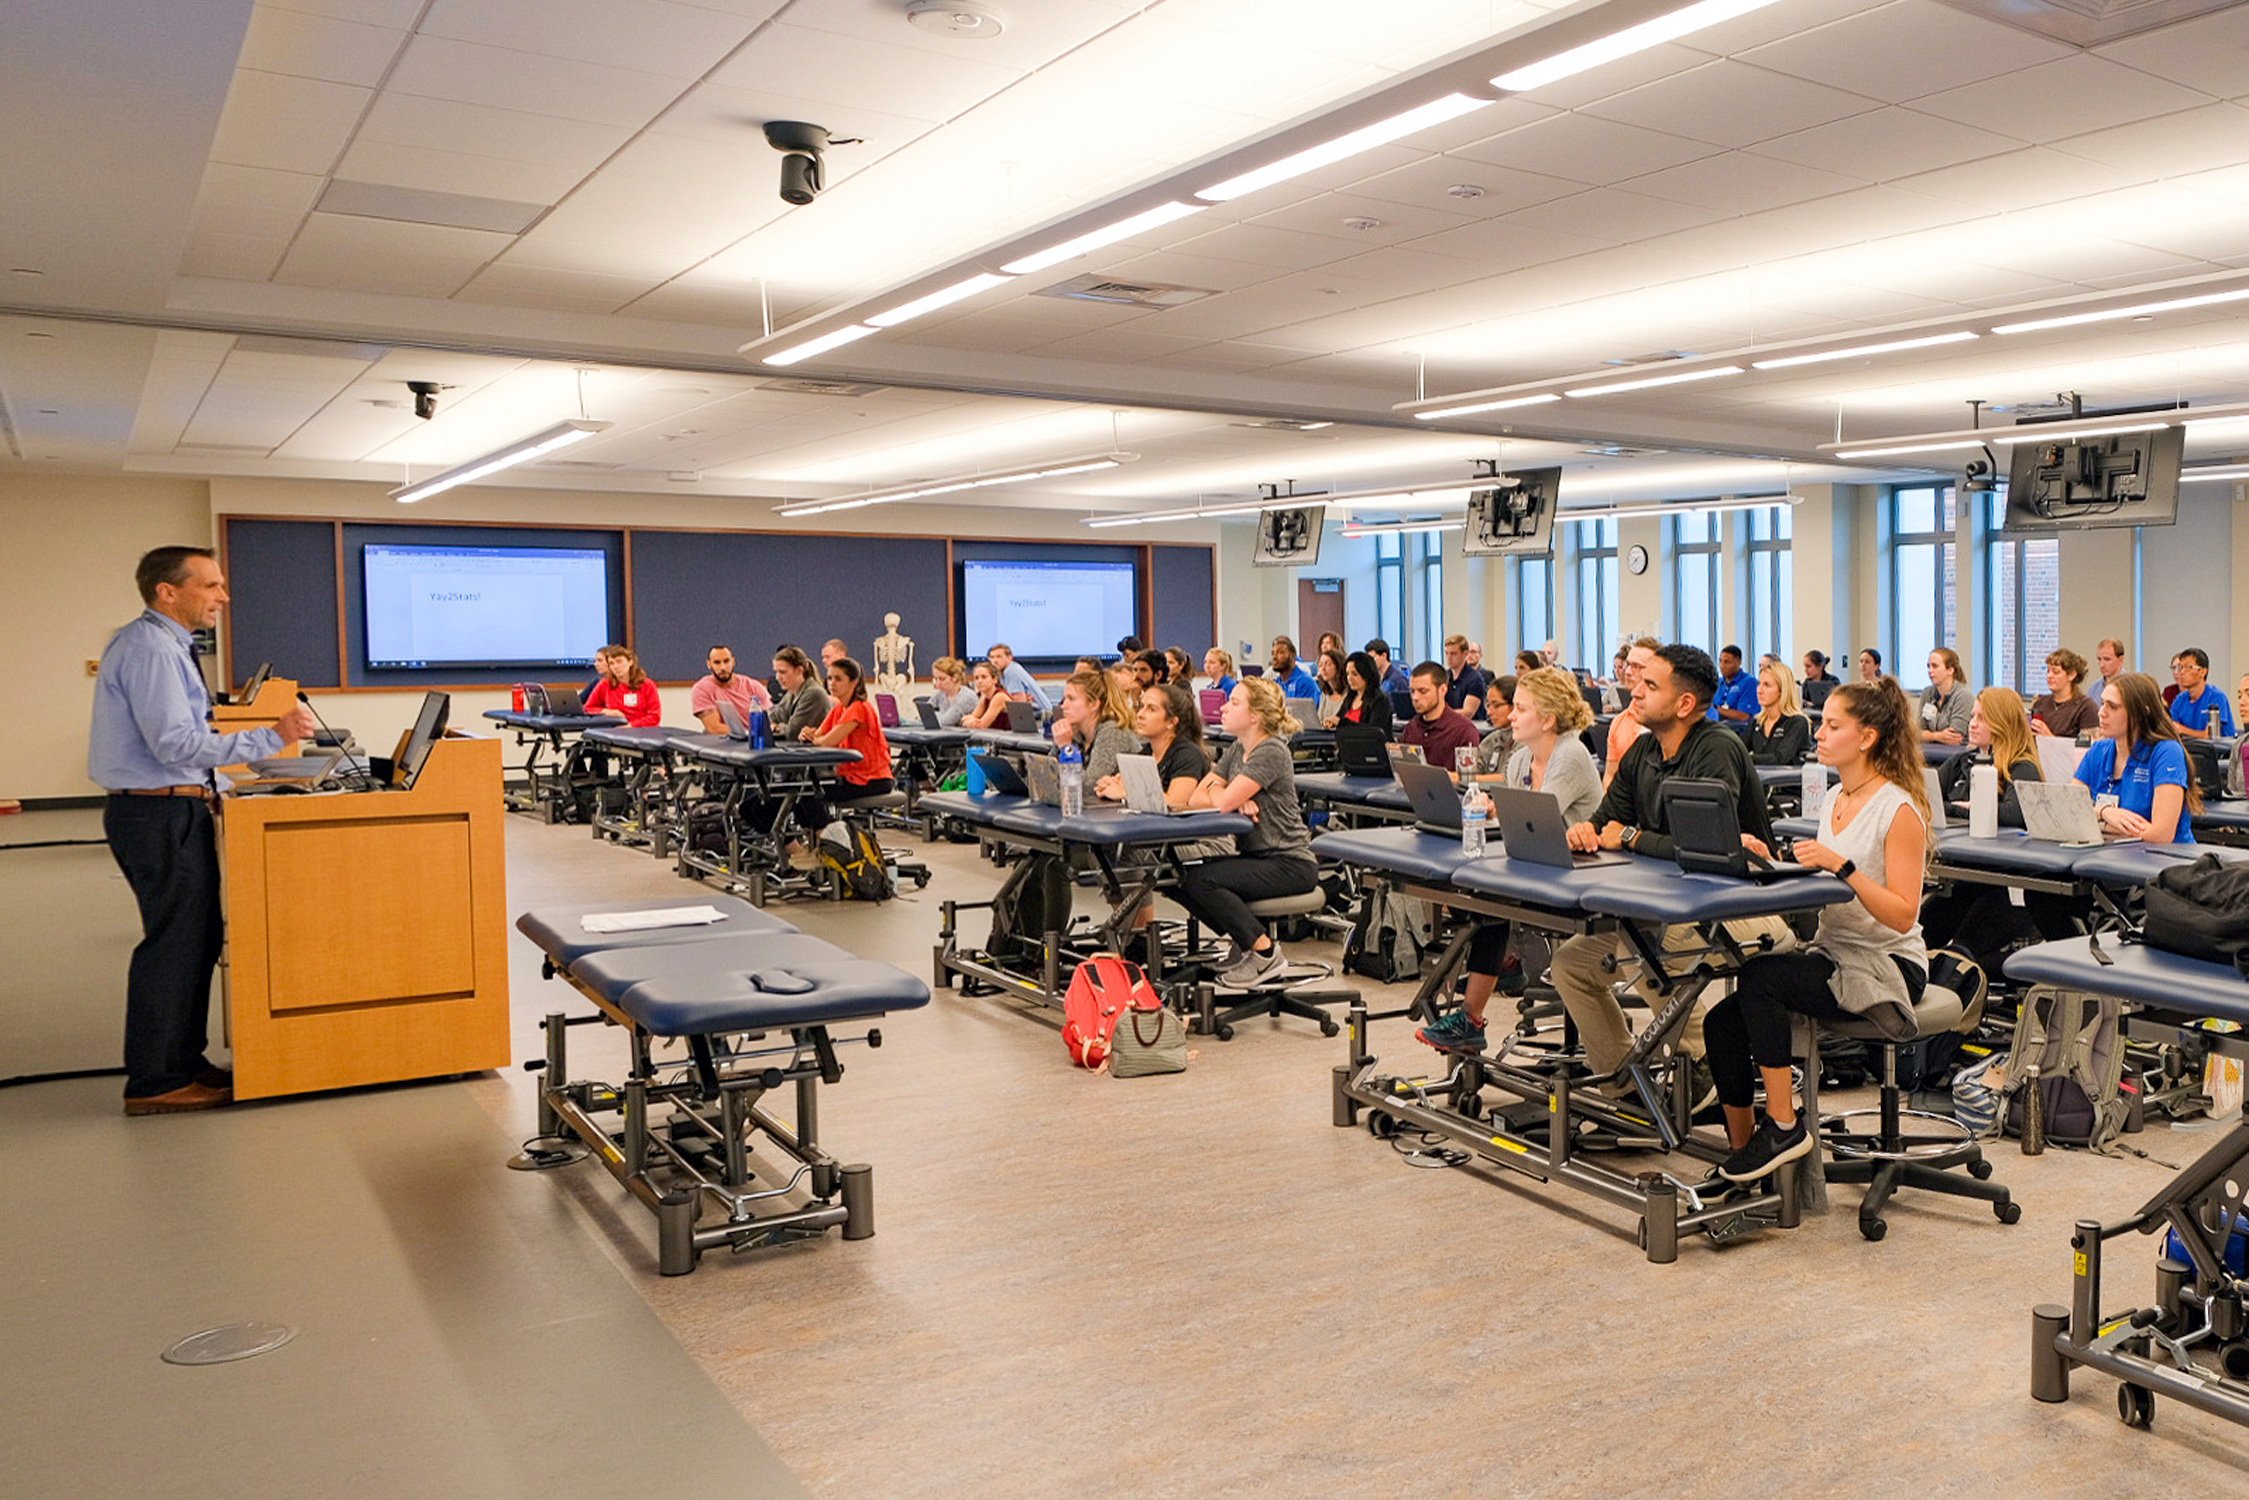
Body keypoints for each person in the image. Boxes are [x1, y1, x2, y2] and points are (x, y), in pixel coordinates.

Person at [90, 546, 318, 1115]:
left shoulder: (166, 646)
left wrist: (216, 786)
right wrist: (271, 735)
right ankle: (155, 1080)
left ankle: (182, 1062)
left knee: (195, 941)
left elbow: (182, 739)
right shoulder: (149, 649)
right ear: (169, 591)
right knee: (174, 945)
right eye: (211, 585)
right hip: (156, 814)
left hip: (173, 807)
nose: (224, 595)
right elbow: (174, 744)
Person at [1703, 679, 1932, 1181]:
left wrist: (1842, 866)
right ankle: (1748, 1155)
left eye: (1832, 726)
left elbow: (1902, 914)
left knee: (1760, 978)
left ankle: (1784, 1125)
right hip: (1835, 954)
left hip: (1890, 965)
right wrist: (1775, 860)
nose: (1819, 734)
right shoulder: (1834, 798)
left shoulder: (1898, 810)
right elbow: (1825, 871)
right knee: (1720, 1023)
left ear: (1867, 737)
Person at [1555, 645, 1787, 1083]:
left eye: (1650, 685)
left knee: (1638, 937)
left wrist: (1632, 837)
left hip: (1748, 908)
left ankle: (1701, 1064)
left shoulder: (1717, 747)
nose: (1635, 692)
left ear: (1684, 704)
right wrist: (1583, 833)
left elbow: (1700, 848)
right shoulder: (1644, 752)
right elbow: (1604, 824)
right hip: (1668, 906)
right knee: (1572, 964)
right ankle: (1622, 1082)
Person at [1417, 669, 1600, 1051]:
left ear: (1548, 719)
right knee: (1484, 902)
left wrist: (1499, 811)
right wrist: (1491, 809)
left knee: (1490, 906)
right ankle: (1470, 1013)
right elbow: (1519, 819)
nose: (1511, 716)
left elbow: (1539, 817)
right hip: (1536, 865)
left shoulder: (1570, 755)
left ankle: (1470, 1014)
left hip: (1581, 874)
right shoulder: (1520, 759)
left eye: (1520, 709)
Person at [1179, 677, 1320, 987]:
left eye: (1235, 703)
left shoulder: (1271, 750)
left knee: (1203, 880)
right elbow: (1196, 796)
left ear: (1255, 715)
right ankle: (1246, 943)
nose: (1225, 708)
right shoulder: (1237, 749)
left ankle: (1264, 952)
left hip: (1290, 863)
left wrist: (1229, 796)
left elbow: (1220, 799)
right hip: (1258, 857)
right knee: (1180, 876)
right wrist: (1232, 796)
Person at [1919, 690, 2045, 975]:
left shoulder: (2021, 767)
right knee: (1918, 937)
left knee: (1958, 954)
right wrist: (1961, 808)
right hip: (1966, 877)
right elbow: (1926, 796)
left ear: (2001, 723)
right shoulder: (1964, 760)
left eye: (1982, 718)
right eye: (1973, 716)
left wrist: (1964, 809)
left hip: (2003, 886)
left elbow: (2016, 814)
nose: (1972, 724)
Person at [789, 656, 894, 869]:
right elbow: (818, 735)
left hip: (873, 780)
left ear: (854, 682)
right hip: (850, 776)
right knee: (798, 793)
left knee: (808, 794)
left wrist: (815, 738)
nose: (831, 683)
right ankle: (819, 846)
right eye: (829, 678)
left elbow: (826, 742)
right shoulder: (839, 708)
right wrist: (808, 734)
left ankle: (834, 847)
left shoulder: (859, 708)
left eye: (838, 679)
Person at [2080, 672, 2198, 844]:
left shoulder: (2167, 752)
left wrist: (2096, 822)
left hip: (2167, 862)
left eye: (2112, 707)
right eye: (2102, 703)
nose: (2101, 713)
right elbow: (2070, 812)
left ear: (2141, 714)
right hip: (2113, 855)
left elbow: (2161, 835)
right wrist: (2104, 813)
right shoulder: (2098, 750)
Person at [1049, 668, 1140, 782]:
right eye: (1064, 698)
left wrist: (1066, 748)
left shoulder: (1113, 733)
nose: (1064, 706)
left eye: (1071, 699)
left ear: (1094, 705)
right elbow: (1049, 777)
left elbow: (1089, 787)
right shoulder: (1076, 732)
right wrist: (1059, 744)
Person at [1400, 661, 1481, 769]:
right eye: (1412, 691)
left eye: (1423, 691)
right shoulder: (1411, 729)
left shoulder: (1463, 730)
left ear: (1443, 690)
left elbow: (1468, 778)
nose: (1415, 697)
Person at [1605, 637, 1660, 785]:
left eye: (1637, 666)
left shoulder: (1666, 722)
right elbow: (1610, 777)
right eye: (1628, 664)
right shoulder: (1619, 723)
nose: (1628, 672)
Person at [690, 644, 771, 733]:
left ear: (733, 661)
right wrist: (748, 734)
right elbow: (714, 728)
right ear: (709, 664)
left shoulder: (753, 686)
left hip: (757, 741)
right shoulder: (702, 689)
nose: (723, 667)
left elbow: (770, 719)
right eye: (717, 662)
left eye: (726, 661)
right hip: (724, 743)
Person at [1744, 659, 1812, 765]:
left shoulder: (1797, 722)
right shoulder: (1757, 722)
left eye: (1767, 685)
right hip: (1760, 778)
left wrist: (1746, 760)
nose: (1759, 690)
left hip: (1786, 780)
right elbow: (1739, 749)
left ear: (1782, 690)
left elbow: (1780, 758)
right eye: (1759, 684)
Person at [2030, 648, 2098, 738]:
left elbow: (2087, 749)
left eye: (2056, 672)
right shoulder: (2040, 703)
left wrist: (2049, 738)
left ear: (2071, 675)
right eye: (2048, 671)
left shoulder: (2086, 707)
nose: (2049, 676)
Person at [585, 646, 661, 726]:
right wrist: (608, 712)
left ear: (630, 662)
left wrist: (631, 726)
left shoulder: (647, 685)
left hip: (644, 731)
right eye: (611, 663)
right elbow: (588, 708)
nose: (616, 666)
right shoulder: (605, 684)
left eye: (619, 661)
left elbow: (654, 717)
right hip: (616, 730)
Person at [2169, 647, 2235, 739]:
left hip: (2218, 752)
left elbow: (2210, 735)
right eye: (2181, 667)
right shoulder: (2179, 700)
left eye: (2188, 668)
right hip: (2190, 750)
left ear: (2203, 672)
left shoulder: (2217, 698)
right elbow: (2172, 730)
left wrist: (2182, 730)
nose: (2182, 672)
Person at [770, 645, 832, 741]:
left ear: (799, 670)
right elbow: (771, 716)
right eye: (776, 672)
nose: (778, 677)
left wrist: (777, 727)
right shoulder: (792, 692)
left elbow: (793, 732)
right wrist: (777, 724)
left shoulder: (814, 694)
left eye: (782, 672)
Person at [1325, 650, 1393, 734]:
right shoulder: (1350, 697)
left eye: (1355, 674)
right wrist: (1331, 722)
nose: (1349, 678)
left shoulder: (1380, 700)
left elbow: (1373, 732)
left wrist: (1341, 723)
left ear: (1366, 674)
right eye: (1347, 674)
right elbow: (1339, 718)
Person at [1469, 674, 1519, 779]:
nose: (1489, 712)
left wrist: (1470, 779)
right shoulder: (1491, 739)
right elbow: (1473, 768)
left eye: (1496, 705)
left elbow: (1508, 778)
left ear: (1514, 705)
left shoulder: (1524, 742)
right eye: (1488, 705)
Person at [1917, 647, 1971, 745]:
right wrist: (1937, 736)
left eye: (1935, 666)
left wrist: (1929, 735)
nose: (1930, 670)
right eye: (1928, 666)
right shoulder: (1927, 693)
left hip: (1956, 755)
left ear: (1950, 670)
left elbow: (1954, 738)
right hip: (1930, 754)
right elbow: (1918, 733)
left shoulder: (1964, 696)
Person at [987, 642, 1050, 710]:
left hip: (1042, 715)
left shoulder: (1011, 671)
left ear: (1009, 657)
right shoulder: (1002, 672)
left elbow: (1018, 706)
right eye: (992, 657)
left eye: (999, 657)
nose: (995, 661)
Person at [1442, 634, 1490, 720]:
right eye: (1446, 653)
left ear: (1465, 654)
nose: (1449, 658)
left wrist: (1440, 714)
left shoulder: (1475, 679)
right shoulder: (1444, 676)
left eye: (1453, 654)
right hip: (1449, 724)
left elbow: (1468, 713)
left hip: (1473, 727)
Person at [1710, 644, 1758, 724]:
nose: (1722, 666)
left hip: (1739, 731)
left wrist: (1717, 709)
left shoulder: (1749, 682)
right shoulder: (1717, 683)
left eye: (1727, 662)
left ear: (1739, 662)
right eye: (1720, 661)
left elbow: (1744, 716)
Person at [927, 656, 980, 727]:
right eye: (936, 679)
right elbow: (924, 715)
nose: (938, 683)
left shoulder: (967, 697)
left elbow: (946, 722)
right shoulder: (941, 694)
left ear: (954, 678)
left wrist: (934, 715)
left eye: (942, 679)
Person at [960, 660, 1012, 730]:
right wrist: (971, 720)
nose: (979, 681)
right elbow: (972, 717)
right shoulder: (984, 697)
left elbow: (982, 725)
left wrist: (973, 721)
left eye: (984, 677)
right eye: (976, 678)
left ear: (994, 679)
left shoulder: (999, 697)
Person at [1269, 635, 1318, 699]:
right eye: (1273, 653)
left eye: (1280, 652)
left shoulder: (1305, 682)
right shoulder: (1275, 684)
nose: (1274, 657)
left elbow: (1308, 708)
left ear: (1292, 656)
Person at [1313, 648, 1349, 725]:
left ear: (1338, 666)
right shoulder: (1324, 694)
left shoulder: (1349, 694)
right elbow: (1319, 720)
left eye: (1328, 664)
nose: (1323, 669)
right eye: (1320, 665)